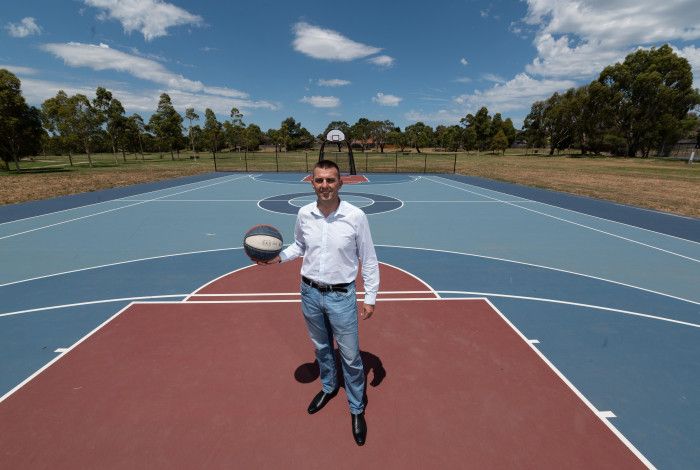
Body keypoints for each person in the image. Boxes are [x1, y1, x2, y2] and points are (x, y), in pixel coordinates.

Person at [259, 160, 379, 446]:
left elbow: (369, 258)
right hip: (309, 292)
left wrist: (370, 296)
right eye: (319, 180)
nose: (325, 185)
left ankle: (356, 407)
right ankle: (328, 387)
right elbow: (299, 246)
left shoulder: (356, 216)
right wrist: (278, 258)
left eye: (330, 180)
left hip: (341, 295)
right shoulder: (304, 214)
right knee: (322, 347)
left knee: (350, 356)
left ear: (340, 183)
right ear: (311, 182)